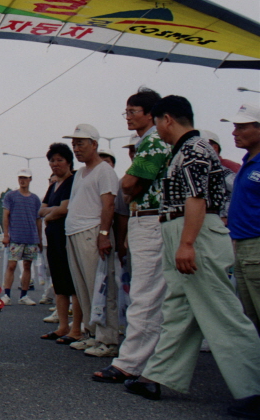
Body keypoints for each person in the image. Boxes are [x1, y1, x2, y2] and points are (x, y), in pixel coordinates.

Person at [126, 96, 260, 418]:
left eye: (157, 122)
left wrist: (187, 243)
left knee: (222, 312)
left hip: (194, 232)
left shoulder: (194, 150)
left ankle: (254, 390)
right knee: (179, 309)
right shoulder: (183, 150)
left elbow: (196, 199)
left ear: (167, 119)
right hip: (179, 230)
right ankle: (157, 376)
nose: (157, 130)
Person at [93, 87, 169, 384]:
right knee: (150, 296)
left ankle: (130, 363)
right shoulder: (147, 141)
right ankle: (149, 361)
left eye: (133, 111)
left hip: (150, 220)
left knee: (144, 295)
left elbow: (129, 184)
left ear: (151, 114)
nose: (128, 117)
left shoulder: (152, 142)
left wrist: (131, 183)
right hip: (145, 220)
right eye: (126, 111)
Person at [63, 123, 120, 358]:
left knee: (101, 288)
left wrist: (104, 234)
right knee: (83, 288)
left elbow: (109, 203)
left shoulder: (104, 170)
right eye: (74, 144)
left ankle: (108, 339)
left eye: (81, 143)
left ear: (94, 144)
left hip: (92, 232)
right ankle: (91, 333)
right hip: (74, 232)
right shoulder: (80, 173)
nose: (76, 148)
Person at [38, 143, 83, 343]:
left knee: (72, 283)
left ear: (69, 162)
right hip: (53, 236)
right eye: (52, 161)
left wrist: (50, 213)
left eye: (59, 160)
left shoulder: (73, 181)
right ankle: (62, 326)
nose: (55, 164)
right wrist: (51, 213)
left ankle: (76, 329)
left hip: (67, 236)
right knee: (59, 284)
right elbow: (41, 210)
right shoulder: (53, 185)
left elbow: (65, 209)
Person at [223, 103, 260, 334]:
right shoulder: (248, 161)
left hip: (256, 245)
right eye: (235, 127)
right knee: (251, 317)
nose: (235, 133)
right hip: (242, 246)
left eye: (242, 127)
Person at [0, 169, 42, 306]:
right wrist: (6, 235)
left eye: (25, 178)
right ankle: (6, 294)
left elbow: (38, 220)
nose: (22, 180)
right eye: (20, 178)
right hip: (16, 237)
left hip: (31, 238)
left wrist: (40, 239)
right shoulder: (10, 196)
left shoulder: (35, 199)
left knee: (27, 266)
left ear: (30, 179)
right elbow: (5, 216)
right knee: (11, 265)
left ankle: (24, 295)